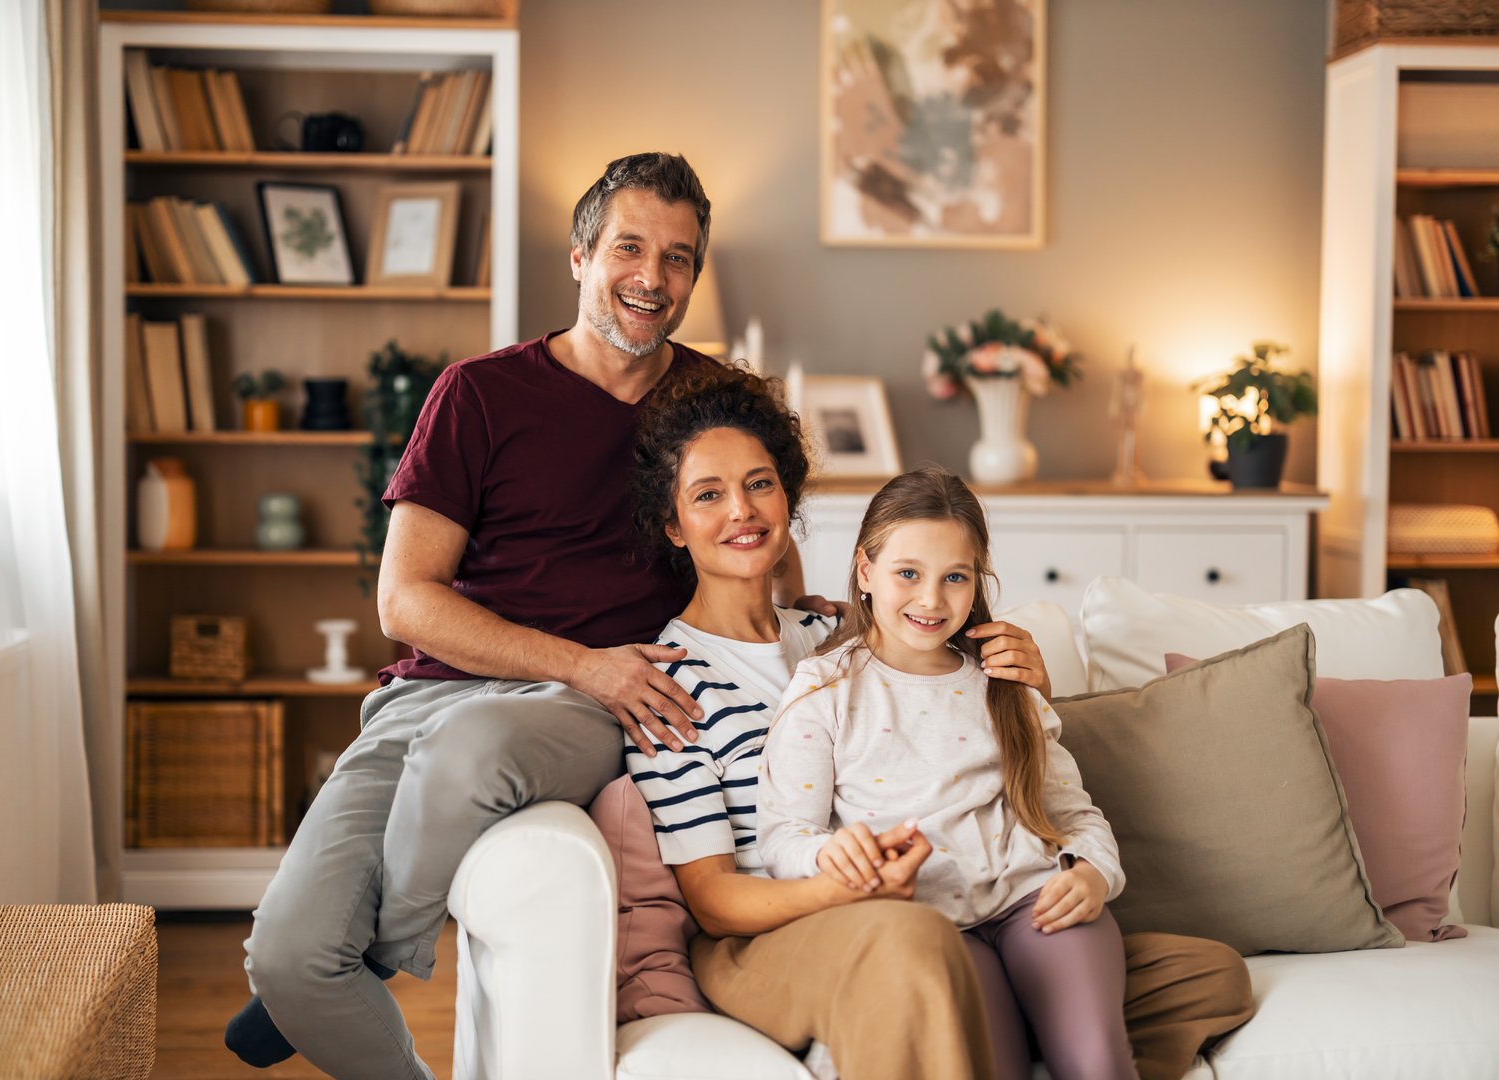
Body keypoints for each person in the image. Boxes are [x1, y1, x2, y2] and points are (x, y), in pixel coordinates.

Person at [226, 152, 784, 1080]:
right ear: (580, 255)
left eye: (679, 259)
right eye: (630, 248)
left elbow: (758, 550)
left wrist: (853, 622)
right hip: (436, 698)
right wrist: (575, 659)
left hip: (599, 701)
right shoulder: (478, 393)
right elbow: (404, 600)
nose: (653, 278)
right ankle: (351, 966)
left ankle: (379, 946)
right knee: (287, 961)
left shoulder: (710, 404)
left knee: (474, 751)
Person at [628, 367, 1254, 1080]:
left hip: (992, 905)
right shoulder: (668, 680)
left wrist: (1032, 690)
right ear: (674, 523)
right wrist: (848, 884)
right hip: (801, 922)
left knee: (1208, 973)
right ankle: (994, 1022)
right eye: (709, 495)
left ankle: (1023, 1014)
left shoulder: (837, 631)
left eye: (760, 483)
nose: (741, 509)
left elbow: (1021, 768)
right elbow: (713, 897)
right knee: (926, 948)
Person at [760, 466, 1122, 1079]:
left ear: (977, 580)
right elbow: (782, 836)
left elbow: (1075, 814)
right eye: (908, 573)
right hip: (930, 926)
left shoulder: (1003, 676)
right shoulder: (824, 687)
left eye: (955, 577)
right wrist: (829, 855)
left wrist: (1094, 872)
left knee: (1096, 1064)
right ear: (865, 571)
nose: (931, 600)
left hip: (1036, 901)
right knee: (986, 1066)